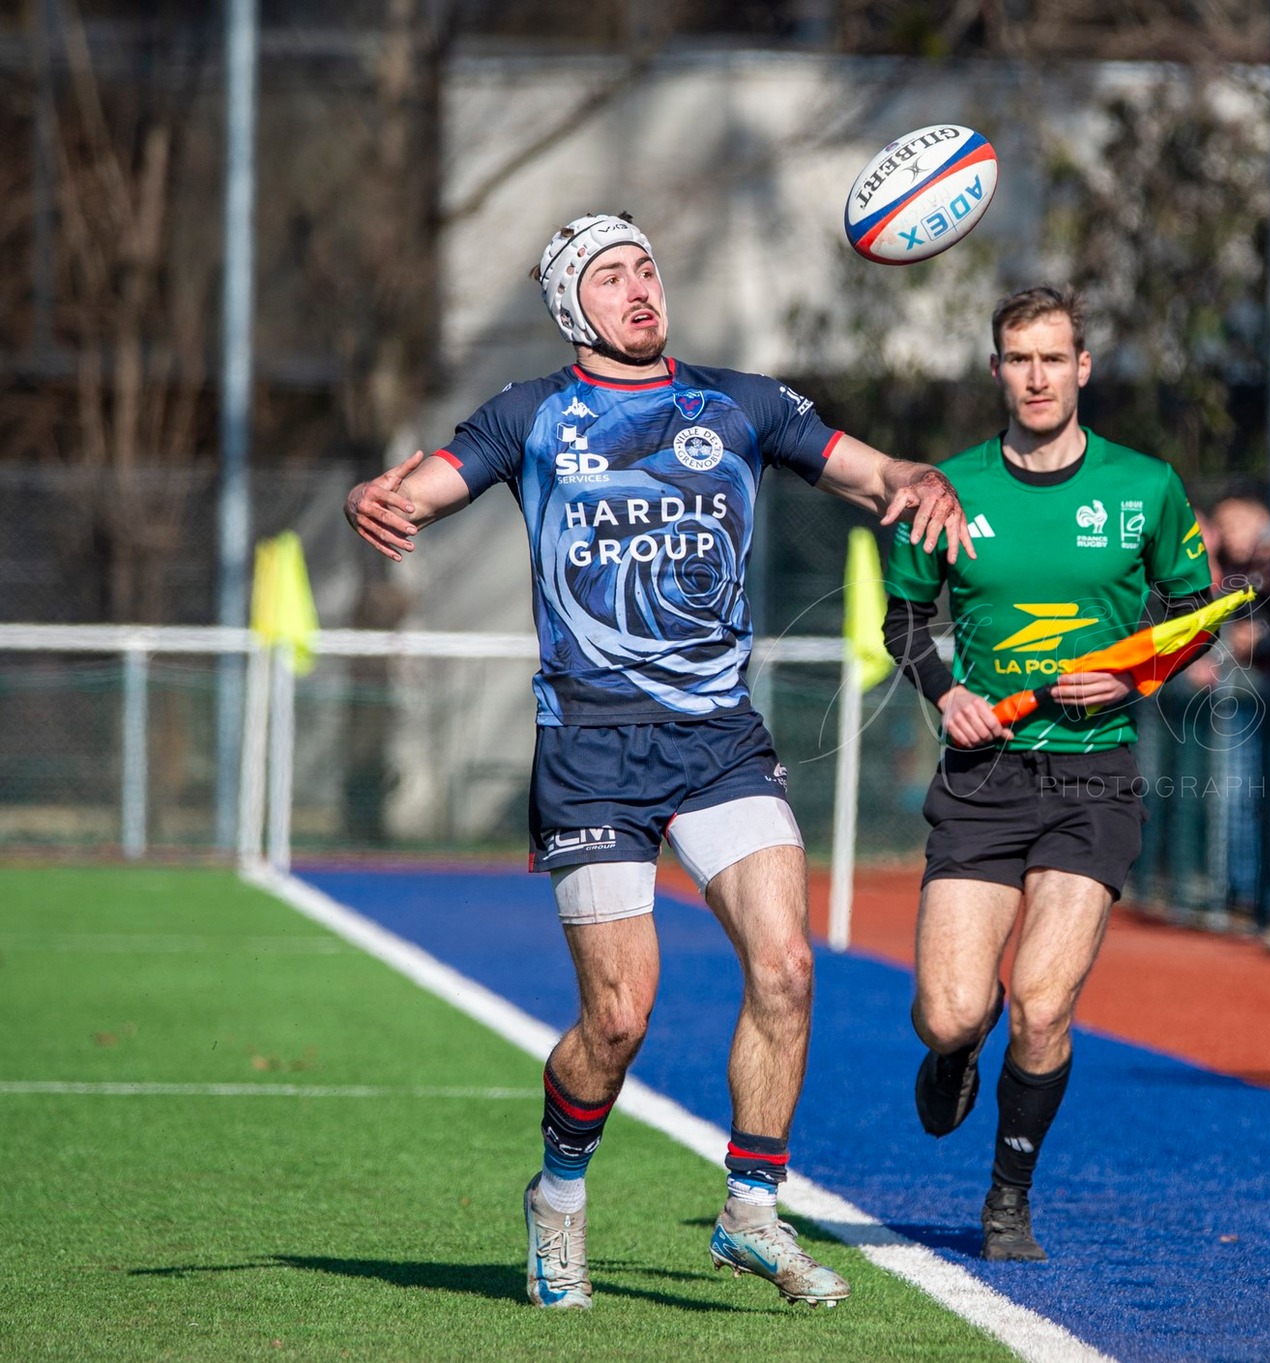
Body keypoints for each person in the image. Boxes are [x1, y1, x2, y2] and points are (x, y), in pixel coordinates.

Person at [341, 213, 971, 1311]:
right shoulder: (531, 416)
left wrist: (922, 480)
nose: (639, 287)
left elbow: (878, 476)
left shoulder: (744, 402)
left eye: (645, 268)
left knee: (786, 966)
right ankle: (559, 1196)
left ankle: (751, 1211)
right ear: (570, 308)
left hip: (718, 738)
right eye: (610, 275)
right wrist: (376, 497)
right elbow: (422, 487)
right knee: (620, 1016)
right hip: (589, 749)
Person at [879, 287, 1215, 1261]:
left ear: (1082, 368)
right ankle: (955, 1052)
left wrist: (1129, 670)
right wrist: (943, 692)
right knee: (949, 1009)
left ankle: (1006, 1196)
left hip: (1092, 780)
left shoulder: (1143, 485)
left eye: (1051, 358)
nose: (1035, 376)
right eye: (1016, 359)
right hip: (982, 779)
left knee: (1040, 1002)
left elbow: (1193, 610)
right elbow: (903, 620)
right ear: (995, 371)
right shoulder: (946, 492)